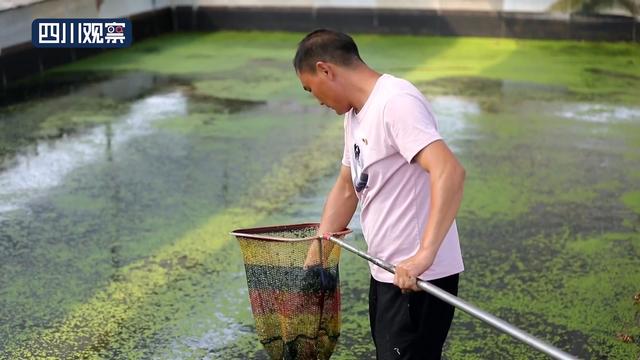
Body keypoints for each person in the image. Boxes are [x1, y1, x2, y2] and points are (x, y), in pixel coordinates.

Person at [293, 29, 465, 360]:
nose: (316, 100)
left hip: (418, 279)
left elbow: (449, 171)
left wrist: (423, 256)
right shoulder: (356, 114)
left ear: (326, 69)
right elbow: (348, 186)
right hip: (388, 273)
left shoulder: (395, 102)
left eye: (310, 88)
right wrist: (315, 259)